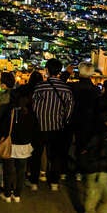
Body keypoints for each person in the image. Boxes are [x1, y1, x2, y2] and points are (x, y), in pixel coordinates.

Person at [30, 59, 75, 191]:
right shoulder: (66, 89)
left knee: (36, 155)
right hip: (57, 128)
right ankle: (54, 182)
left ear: (47, 70)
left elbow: (34, 107)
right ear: (59, 71)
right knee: (55, 156)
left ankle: (34, 182)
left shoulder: (40, 87)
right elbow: (69, 109)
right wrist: (63, 122)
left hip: (40, 127)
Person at [0, 92, 38, 202]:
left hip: (10, 145)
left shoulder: (9, 111)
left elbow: (2, 127)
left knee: (8, 170)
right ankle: (17, 194)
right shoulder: (31, 113)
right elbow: (35, 130)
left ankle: (7, 194)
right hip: (24, 146)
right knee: (21, 171)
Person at [70, 62, 101, 178]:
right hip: (89, 122)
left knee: (74, 146)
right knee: (86, 147)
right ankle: (83, 170)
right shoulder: (96, 90)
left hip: (73, 120)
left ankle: (71, 170)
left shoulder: (74, 87)